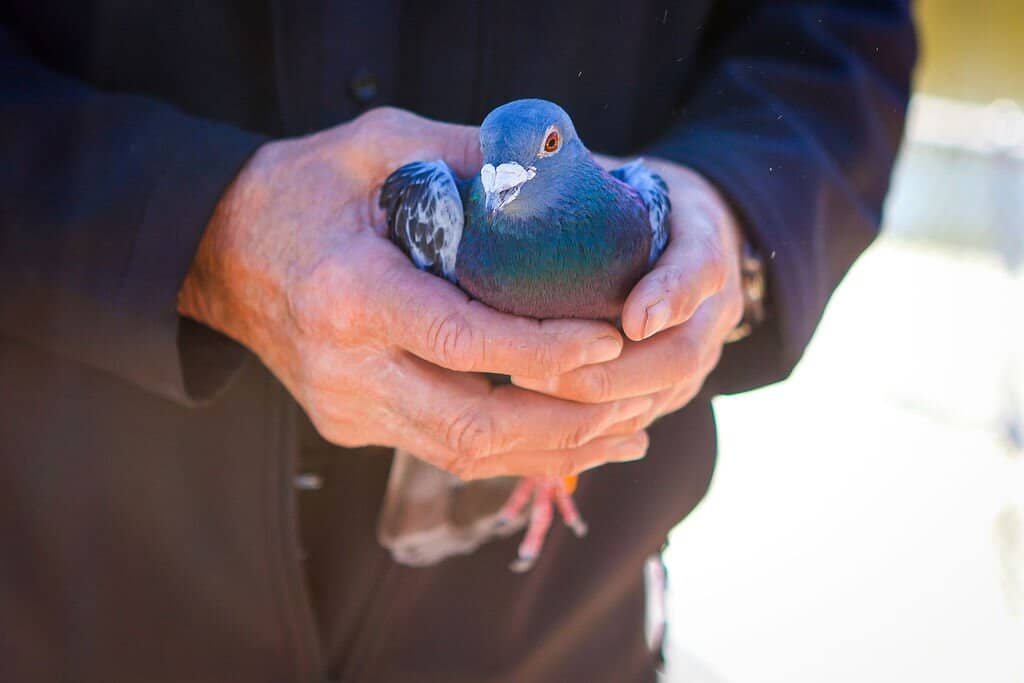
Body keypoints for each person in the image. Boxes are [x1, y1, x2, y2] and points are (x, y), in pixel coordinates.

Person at [0, 1, 916, 681]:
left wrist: (733, 212)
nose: (508, 184)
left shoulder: (631, 207)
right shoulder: (453, 204)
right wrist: (199, 230)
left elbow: (841, 31)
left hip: (562, 627)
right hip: (75, 594)